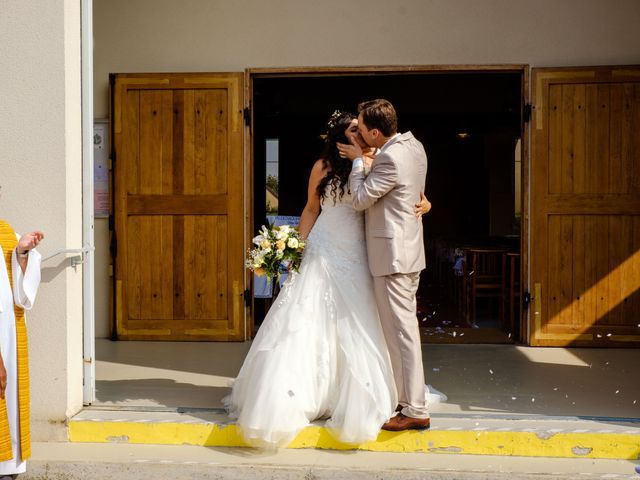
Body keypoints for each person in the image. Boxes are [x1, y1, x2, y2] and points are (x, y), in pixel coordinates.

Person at [225, 111, 431, 447]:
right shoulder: (323, 167)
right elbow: (310, 209)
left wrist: (426, 204)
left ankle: (382, 394)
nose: (361, 135)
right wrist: (297, 250)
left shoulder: (380, 159)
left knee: (362, 322)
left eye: (362, 130)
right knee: (306, 321)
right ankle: (306, 393)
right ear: (341, 137)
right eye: (354, 130)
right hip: (324, 247)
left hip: (361, 251)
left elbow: (404, 190)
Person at [338, 99, 430, 431]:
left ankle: (415, 408)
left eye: (361, 129)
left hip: (393, 257)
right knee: (400, 332)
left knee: (401, 334)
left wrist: (360, 164)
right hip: (408, 251)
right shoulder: (413, 145)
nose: (358, 132)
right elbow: (414, 193)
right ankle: (406, 400)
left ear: (375, 132)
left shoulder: (388, 158)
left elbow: (361, 200)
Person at [0, 214, 43, 479]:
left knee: (9, 395)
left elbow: (22, 296)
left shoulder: (6, 233)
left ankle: (6, 466)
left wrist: (22, 253)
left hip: (9, 334)